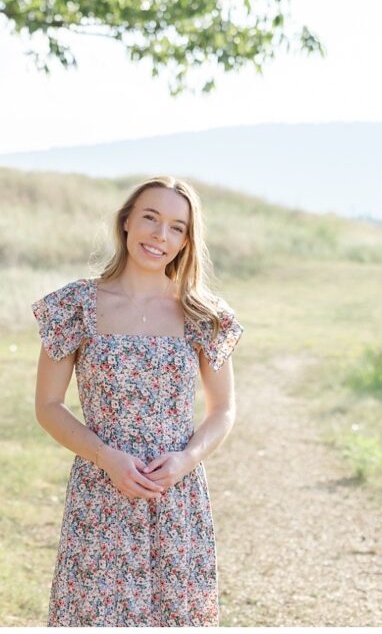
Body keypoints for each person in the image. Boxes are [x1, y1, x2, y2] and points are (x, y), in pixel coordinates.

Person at [31, 175, 245, 626]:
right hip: (100, 492)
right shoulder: (76, 305)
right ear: (127, 221)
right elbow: (48, 405)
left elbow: (222, 410)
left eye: (176, 227)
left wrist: (186, 459)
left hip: (176, 495)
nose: (159, 235)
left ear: (187, 240)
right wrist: (106, 457)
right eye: (150, 218)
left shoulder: (203, 314)